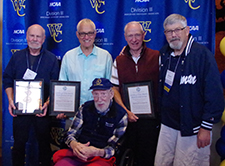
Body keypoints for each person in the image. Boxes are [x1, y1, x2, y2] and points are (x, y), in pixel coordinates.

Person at [154, 14, 224, 166]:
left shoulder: (202, 56)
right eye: (168, 31)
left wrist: (206, 127)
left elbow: (215, 95)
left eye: (177, 30)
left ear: (187, 30)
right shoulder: (165, 54)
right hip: (168, 124)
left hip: (193, 127)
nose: (173, 35)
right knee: (162, 162)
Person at [3, 24, 60, 166]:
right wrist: (10, 100)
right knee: (18, 145)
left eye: (38, 36)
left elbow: (56, 85)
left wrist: (47, 103)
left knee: (44, 145)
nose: (34, 39)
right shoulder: (17, 57)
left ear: (43, 39)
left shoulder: (52, 59)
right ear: (27, 37)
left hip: (42, 110)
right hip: (20, 109)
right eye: (32, 36)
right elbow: (7, 80)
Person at [110, 21, 160, 166]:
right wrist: (126, 111)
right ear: (125, 37)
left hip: (151, 121)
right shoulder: (118, 61)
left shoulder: (156, 57)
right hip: (128, 120)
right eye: (130, 36)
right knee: (129, 158)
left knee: (149, 158)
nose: (134, 39)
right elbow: (114, 89)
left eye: (137, 35)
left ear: (143, 35)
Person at [53, 78, 128, 166]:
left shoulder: (121, 115)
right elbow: (71, 132)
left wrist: (97, 152)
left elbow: (114, 147)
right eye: (96, 94)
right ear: (92, 94)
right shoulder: (85, 107)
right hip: (78, 152)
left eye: (103, 94)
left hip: (100, 156)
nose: (99, 99)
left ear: (111, 94)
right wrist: (74, 145)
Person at [58, 18, 113, 108]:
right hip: (73, 114)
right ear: (77, 35)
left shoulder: (105, 56)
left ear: (95, 34)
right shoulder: (68, 56)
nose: (86, 37)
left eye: (90, 33)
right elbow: (62, 86)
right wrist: (61, 107)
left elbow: (110, 88)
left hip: (98, 114)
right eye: (83, 33)